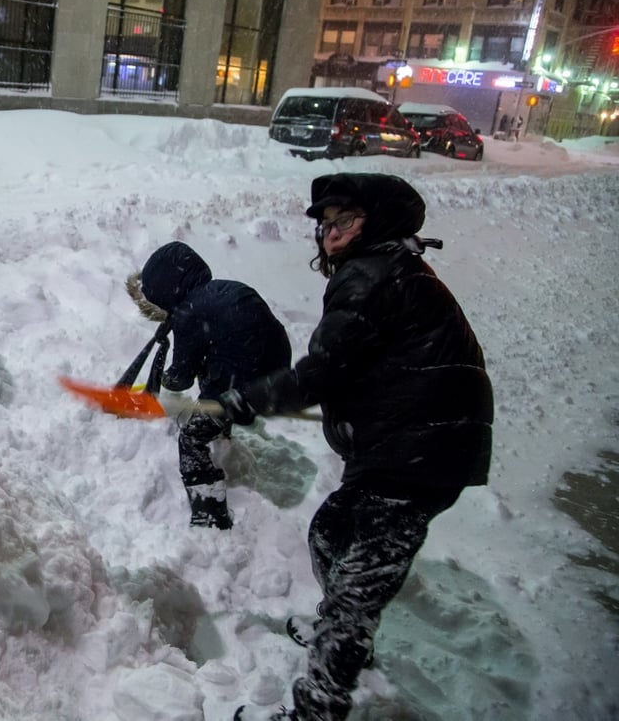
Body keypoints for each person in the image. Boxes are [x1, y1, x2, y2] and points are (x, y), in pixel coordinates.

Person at [224, 174, 494, 721]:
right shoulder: (393, 269)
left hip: (419, 447)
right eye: (325, 224)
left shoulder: (371, 275)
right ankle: (344, 639)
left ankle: (319, 705)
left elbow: (322, 369)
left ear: (377, 224)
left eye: (345, 221)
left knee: (355, 591)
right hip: (417, 442)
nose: (330, 234)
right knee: (330, 533)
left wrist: (249, 399)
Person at [137, 242, 292, 529]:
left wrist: (166, 378)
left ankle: (209, 514)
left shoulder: (189, 312)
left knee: (191, 439)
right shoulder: (224, 288)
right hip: (279, 372)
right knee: (217, 377)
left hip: (243, 382)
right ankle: (223, 434)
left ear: (165, 290)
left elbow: (181, 376)